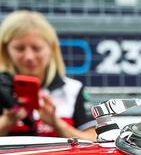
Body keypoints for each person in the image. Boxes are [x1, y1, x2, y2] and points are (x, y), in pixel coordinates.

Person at [0, 10, 96, 141]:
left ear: (51, 48)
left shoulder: (72, 89)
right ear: (6, 50)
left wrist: (56, 124)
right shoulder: (2, 91)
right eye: (19, 48)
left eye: (36, 48)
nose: (29, 56)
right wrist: (7, 122)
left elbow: (94, 140)